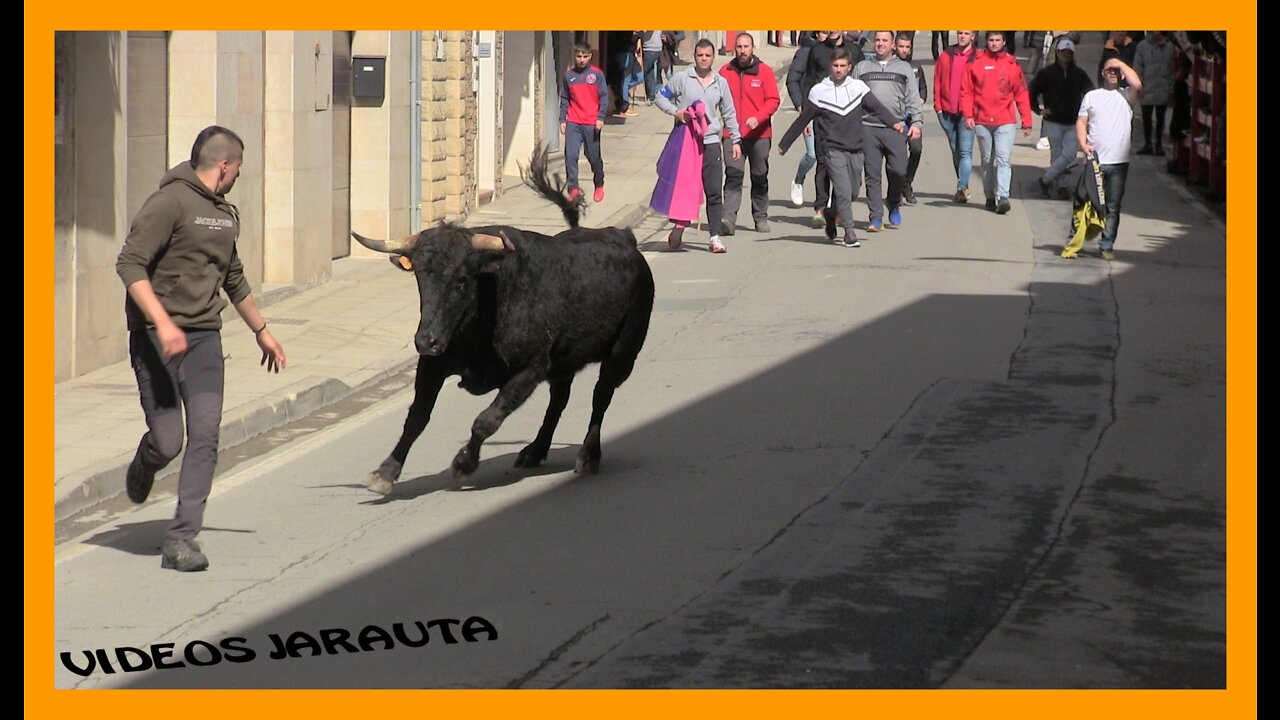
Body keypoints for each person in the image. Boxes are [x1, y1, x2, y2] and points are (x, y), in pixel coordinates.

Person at [115, 126, 287, 572]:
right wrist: (163, 321)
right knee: (170, 442)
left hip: (205, 339)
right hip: (155, 340)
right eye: (238, 169)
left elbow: (233, 279)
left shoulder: (224, 214)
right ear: (224, 165)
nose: (237, 178)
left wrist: (261, 330)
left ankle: (182, 538)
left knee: (207, 434)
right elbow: (130, 263)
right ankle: (147, 458)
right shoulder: (169, 202)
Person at [779, 47, 901, 249]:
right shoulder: (819, 92)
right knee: (843, 191)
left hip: (855, 148)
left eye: (843, 66)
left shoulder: (858, 88)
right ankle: (849, 232)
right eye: (835, 66)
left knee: (853, 191)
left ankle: (832, 213)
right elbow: (803, 119)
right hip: (832, 149)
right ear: (830, 67)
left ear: (849, 67)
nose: (838, 69)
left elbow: (877, 108)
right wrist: (785, 143)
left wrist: (894, 123)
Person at [655, 38, 742, 254]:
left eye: (707, 56)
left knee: (713, 190)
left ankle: (714, 236)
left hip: (711, 141)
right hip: (687, 141)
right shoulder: (682, 79)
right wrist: (676, 112)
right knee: (685, 189)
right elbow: (660, 97)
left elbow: (729, 113)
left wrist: (736, 140)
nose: (704, 59)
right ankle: (679, 226)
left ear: (713, 58)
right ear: (695, 57)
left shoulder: (720, 82)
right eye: (700, 55)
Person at [855, 31, 924, 231]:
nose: (880, 44)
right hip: (868, 127)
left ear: (893, 45)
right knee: (872, 174)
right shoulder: (862, 67)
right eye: (877, 40)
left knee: (899, 170)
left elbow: (913, 96)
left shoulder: (903, 68)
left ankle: (893, 202)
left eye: (884, 40)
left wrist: (917, 123)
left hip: (896, 127)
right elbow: (851, 98)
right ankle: (875, 216)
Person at [1077, 58, 1144, 260]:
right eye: (1109, 70)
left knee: (1113, 205)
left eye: (1116, 71)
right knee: (1087, 203)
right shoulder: (1092, 96)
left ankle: (1106, 244)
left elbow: (1138, 85)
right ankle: (1077, 239)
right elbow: (1081, 122)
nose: (1113, 73)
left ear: (1122, 74)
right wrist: (1082, 144)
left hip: (1118, 162)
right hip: (1095, 159)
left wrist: (1119, 63)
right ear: (1102, 74)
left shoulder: (1126, 96)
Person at [961, 30, 1033, 214]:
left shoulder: (1011, 64)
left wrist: (1026, 120)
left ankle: (1003, 197)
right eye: (991, 40)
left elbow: (1021, 92)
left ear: (1003, 42)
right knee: (987, 160)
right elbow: (967, 91)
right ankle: (990, 196)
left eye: (997, 40)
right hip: (982, 120)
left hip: (1005, 120)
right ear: (987, 41)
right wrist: (968, 115)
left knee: (1003, 159)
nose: (994, 43)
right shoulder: (976, 63)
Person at [719, 32, 780, 234]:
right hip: (732, 135)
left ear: (753, 48)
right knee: (733, 175)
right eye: (739, 47)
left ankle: (760, 217)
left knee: (759, 176)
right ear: (734, 49)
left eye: (746, 47)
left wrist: (759, 117)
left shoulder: (764, 71)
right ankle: (728, 218)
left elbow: (773, 99)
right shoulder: (725, 72)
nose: (742, 51)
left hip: (760, 136)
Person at [1028, 38, 1093, 199]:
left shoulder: (1079, 74)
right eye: (1063, 52)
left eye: (1069, 53)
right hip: (1053, 121)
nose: (1066, 55)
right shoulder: (1047, 73)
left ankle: (1046, 179)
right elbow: (1032, 91)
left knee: (1070, 154)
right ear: (1057, 53)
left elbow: (1091, 93)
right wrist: (1038, 110)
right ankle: (1062, 185)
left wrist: (1089, 114)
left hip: (1072, 122)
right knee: (1056, 156)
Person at [559, 41, 609, 203]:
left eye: (585, 56)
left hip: (591, 122)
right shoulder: (569, 76)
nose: (581, 60)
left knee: (593, 156)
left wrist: (600, 117)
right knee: (571, 156)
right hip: (574, 121)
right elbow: (565, 99)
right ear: (574, 56)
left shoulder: (597, 75)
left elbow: (603, 97)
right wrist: (562, 119)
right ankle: (573, 188)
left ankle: (599, 182)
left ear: (590, 57)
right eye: (578, 56)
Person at [934, 30, 978, 203]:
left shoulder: (978, 57)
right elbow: (937, 80)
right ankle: (963, 184)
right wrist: (938, 107)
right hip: (946, 110)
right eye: (960, 32)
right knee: (956, 150)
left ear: (973, 36)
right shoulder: (946, 55)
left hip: (968, 113)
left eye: (966, 33)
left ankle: (961, 187)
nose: (962, 36)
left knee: (965, 151)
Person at [785, 31, 825, 208]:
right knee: (813, 153)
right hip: (809, 110)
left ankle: (826, 196)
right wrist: (800, 106)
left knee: (830, 155)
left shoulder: (836, 51)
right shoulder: (805, 52)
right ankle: (798, 181)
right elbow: (792, 80)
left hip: (831, 113)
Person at [894, 32, 929, 205]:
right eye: (901, 46)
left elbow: (923, 88)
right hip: (896, 117)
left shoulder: (916, 67)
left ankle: (907, 183)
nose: (904, 50)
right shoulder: (890, 66)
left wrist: (921, 99)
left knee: (916, 150)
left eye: (907, 47)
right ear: (895, 46)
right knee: (897, 155)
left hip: (913, 117)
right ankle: (897, 188)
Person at [1133, 31, 1176, 155]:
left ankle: (1159, 145)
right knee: (1146, 117)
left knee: (1160, 118)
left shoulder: (1169, 47)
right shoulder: (1142, 46)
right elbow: (1138, 66)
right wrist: (1139, 84)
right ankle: (1148, 144)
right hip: (1147, 87)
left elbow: (1172, 67)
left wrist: (1170, 86)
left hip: (1162, 87)